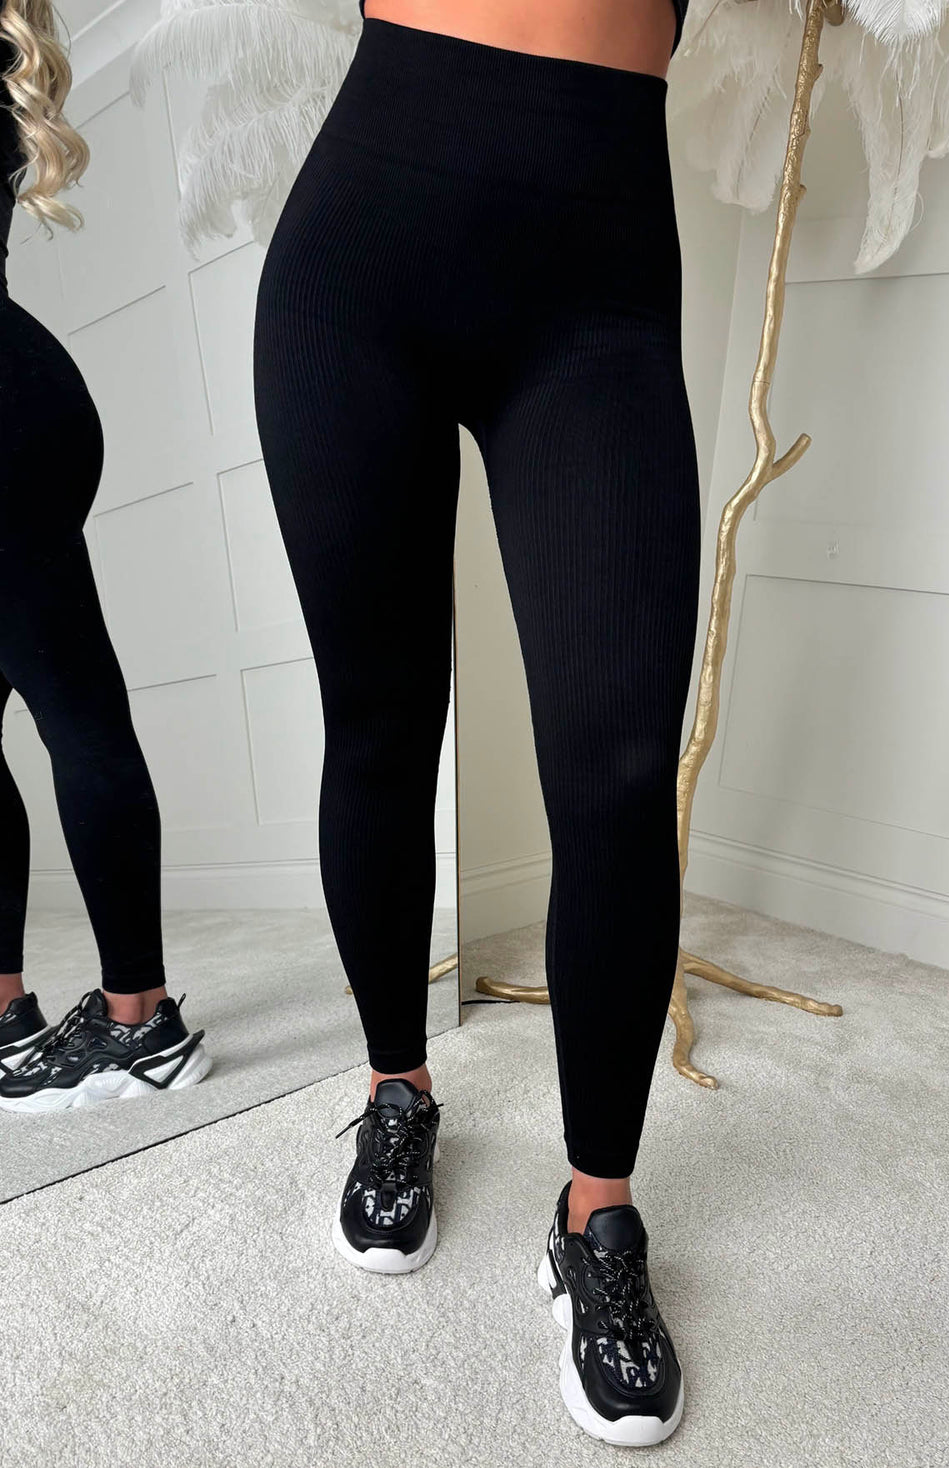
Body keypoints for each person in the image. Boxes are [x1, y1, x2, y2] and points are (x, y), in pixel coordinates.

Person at [253, 0, 697, 1445]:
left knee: (619, 770)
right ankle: (398, 1088)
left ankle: (596, 1212)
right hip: (355, 264)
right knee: (381, 723)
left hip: (598, 291)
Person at [0, 1, 211, 1111]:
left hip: (4, 415)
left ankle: (142, 1021)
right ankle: (7, 1017)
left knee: (76, 710)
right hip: (22, 395)